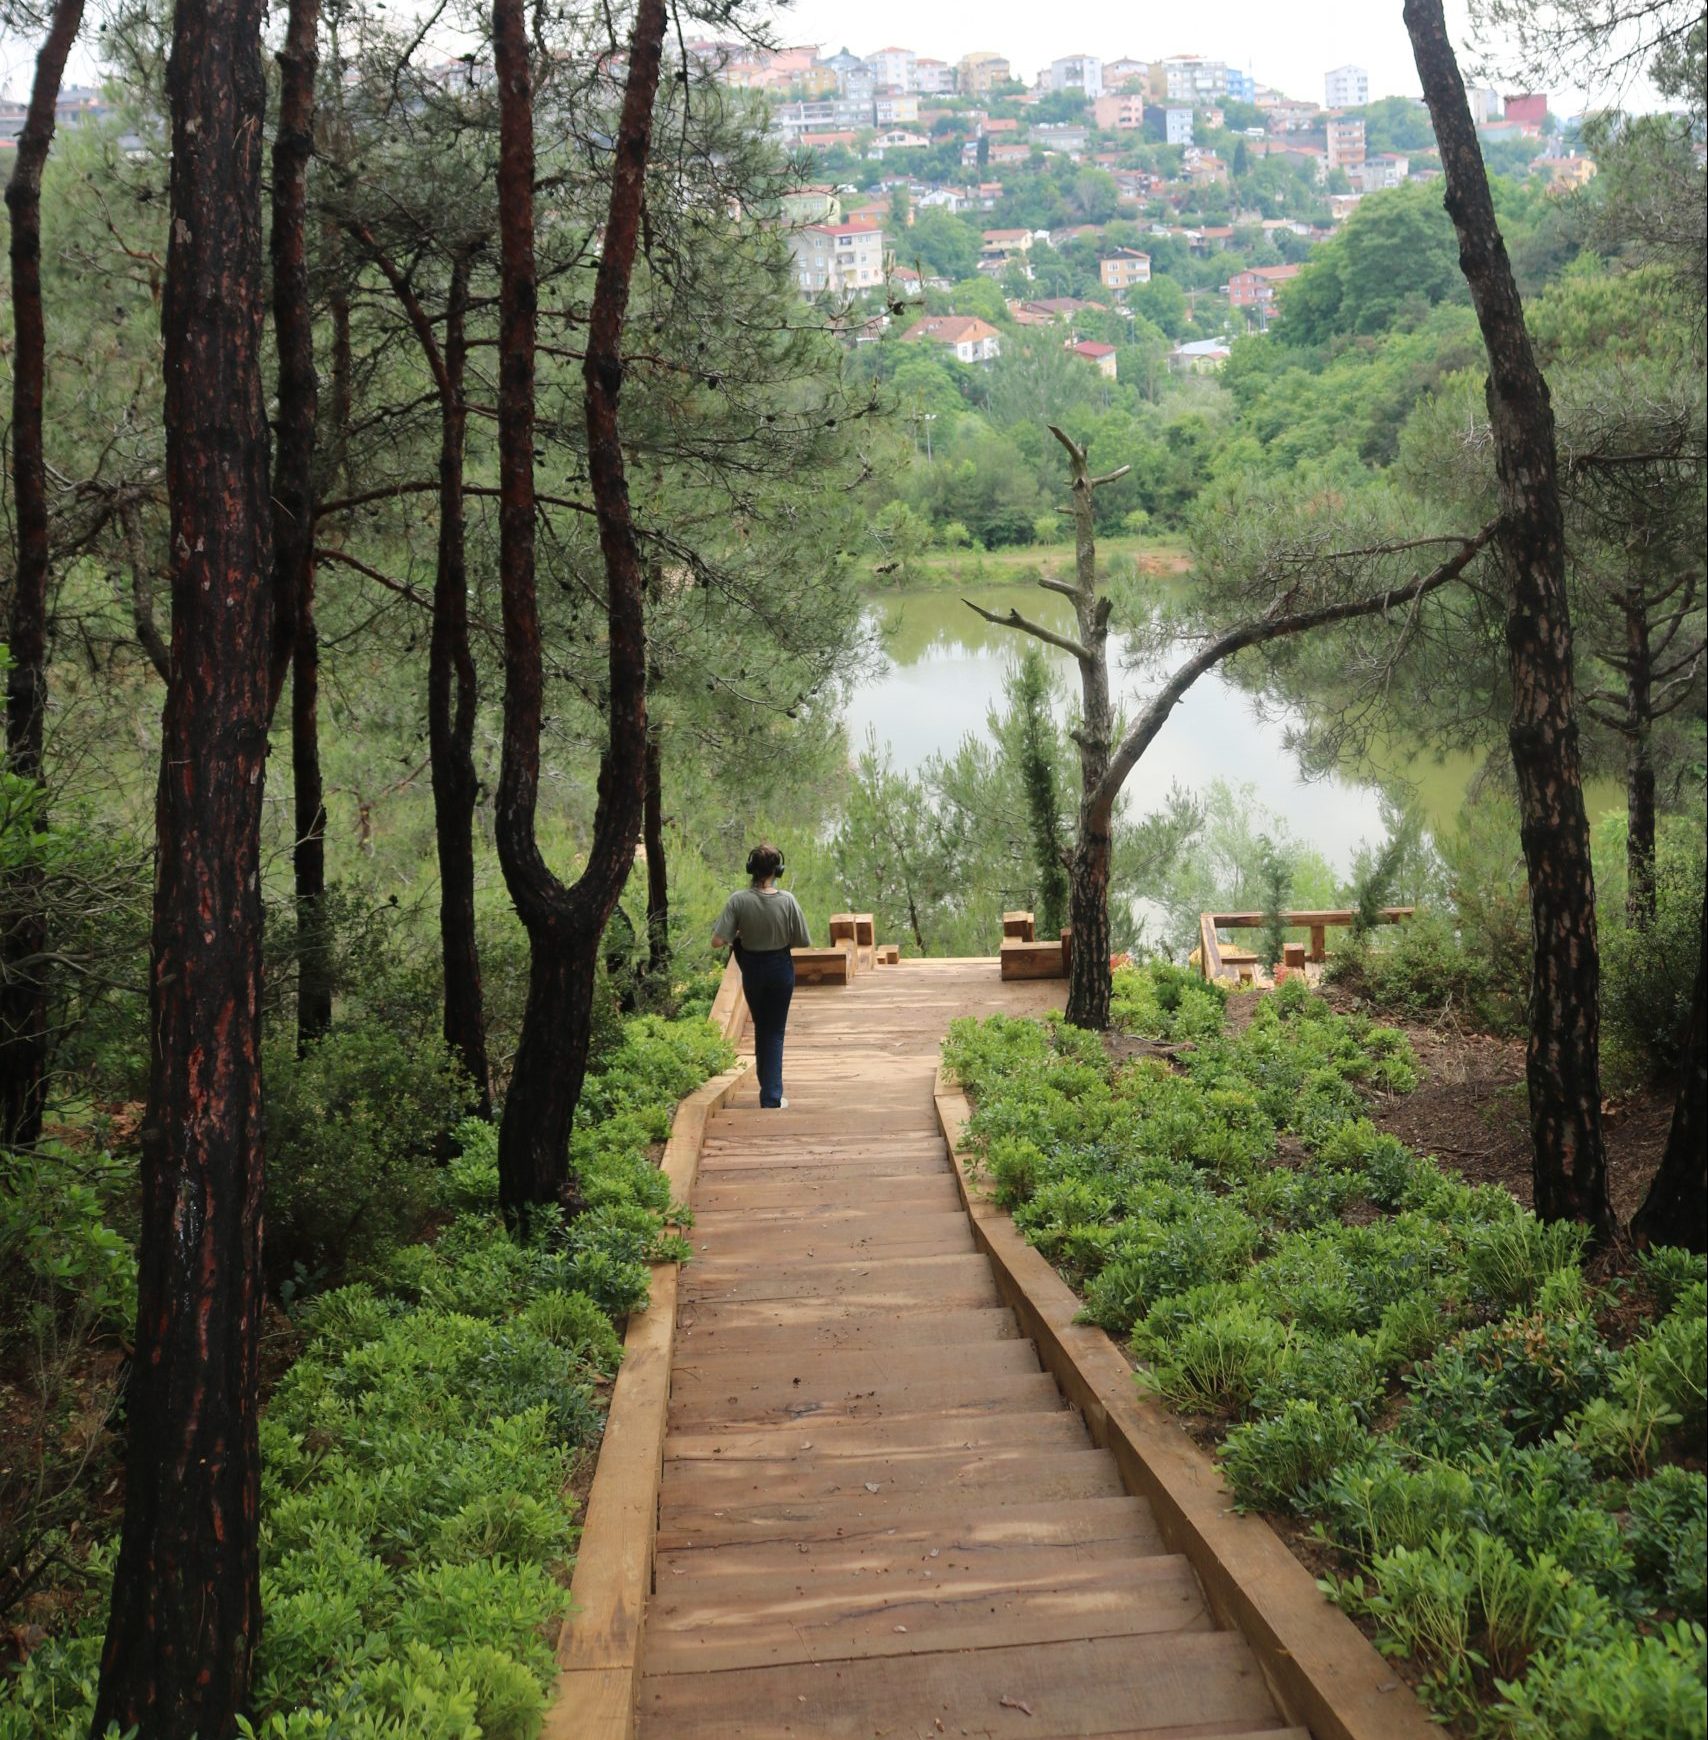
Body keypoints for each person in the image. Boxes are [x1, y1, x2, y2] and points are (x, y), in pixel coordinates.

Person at [712, 844, 811, 1109]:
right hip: (780, 967)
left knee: (762, 1026)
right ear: (778, 869)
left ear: (750, 869)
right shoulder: (788, 900)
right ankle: (771, 1097)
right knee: (774, 1031)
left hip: (752, 968)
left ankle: (767, 1088)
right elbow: (803, 940)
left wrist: (742, 934)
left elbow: (718, 941)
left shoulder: (738, 900)